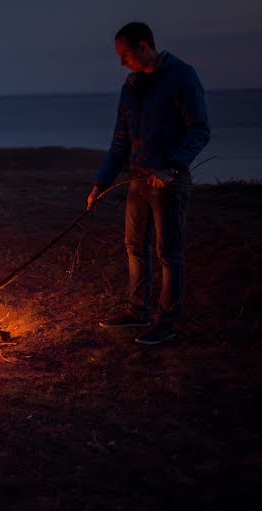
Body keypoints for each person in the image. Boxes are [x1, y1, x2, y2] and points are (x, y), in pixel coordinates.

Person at [87, 22, 210, 345]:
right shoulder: (131, 87)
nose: (121, 62)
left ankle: (166, 321)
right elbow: (119, 142)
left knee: (168, 252)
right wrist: (101, 183)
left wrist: (172, 167)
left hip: (169, 181)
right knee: (134, 246)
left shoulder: (181, 76)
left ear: (144, 45)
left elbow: (199, 129)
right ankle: (138, 310)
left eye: (125, 54)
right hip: (138, 179)